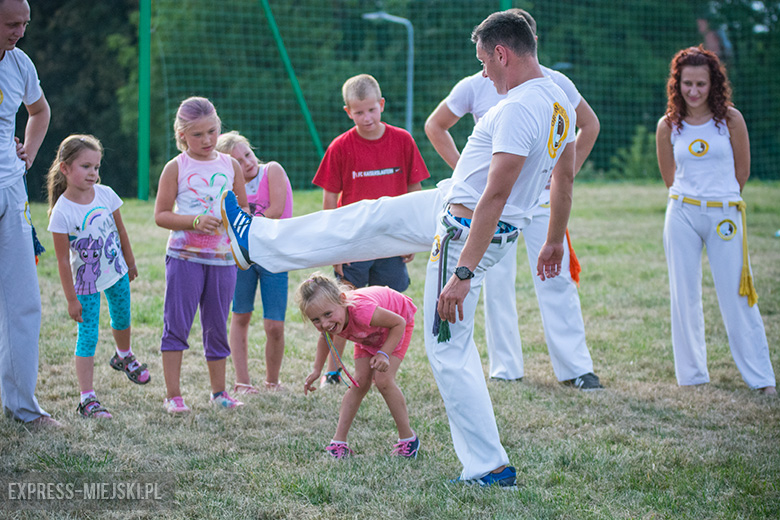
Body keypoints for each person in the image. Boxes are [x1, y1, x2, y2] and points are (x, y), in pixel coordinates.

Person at [222, 10, 577, 486]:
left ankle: (490, 467)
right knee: (364, 217)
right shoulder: (559, 96)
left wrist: (464, 272)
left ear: (502, 53)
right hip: (448, 205)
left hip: (466, 233)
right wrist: (554, 238)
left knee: (448, 349)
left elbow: (497, 193)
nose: (483, 74)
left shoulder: (519, 107)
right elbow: (565, 174)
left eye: (483, 63)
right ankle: (258, 242)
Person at [425, 8, 602, 388]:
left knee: (555, 276)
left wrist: (555, 174)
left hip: (534, 202)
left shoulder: (554, 87)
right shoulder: (476, 83)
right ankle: (506, 368)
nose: (486, 67)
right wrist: (465, 176)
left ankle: (576, 369)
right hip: (489, 205)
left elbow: (588, 126)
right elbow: (435, 125)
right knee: (493, 282)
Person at [655, 46, 776, 395]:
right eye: (687, 84)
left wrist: (719, 199)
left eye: (701, 84)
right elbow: (669, 177)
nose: (693, 92)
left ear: (714, 84)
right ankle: (692, 377)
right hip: (681, 214)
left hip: (726, 215)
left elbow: (742, 172)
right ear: (677, 84)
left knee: (739, 297)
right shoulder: (668, 125)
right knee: (684, 295)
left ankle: (762, 380)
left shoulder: (731, 120)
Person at [313, 74, 429, 386]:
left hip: (391, 242)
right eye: (358, 112)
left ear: (382, 105)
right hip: (353, 243)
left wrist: (412, 238)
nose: (366, 117)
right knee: (339, 310)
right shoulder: (340, 147)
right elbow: (328, 200)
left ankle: (380, 367)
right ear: (348, 112)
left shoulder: (402, 140)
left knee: (383, 309)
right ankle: (332, 373)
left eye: (371, 110)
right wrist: (334, 247)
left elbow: (414, 192)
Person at [154, 97, 249, 413]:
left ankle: (219, 393)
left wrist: (233, 218)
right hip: (184, 259)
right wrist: (194, 221)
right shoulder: (175, 167)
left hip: (223, 261)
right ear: (182, 136)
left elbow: (244, 209)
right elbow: (161, 215)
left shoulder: (231, 166)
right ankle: (173, 396)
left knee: (217, 325)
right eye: (197, 135)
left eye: (212, 131)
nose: (207, 140)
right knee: (177, 324)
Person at [46, 135, 150, 419]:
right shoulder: (62, 213)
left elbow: (121, 231)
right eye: (86, 166)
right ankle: (87, 398)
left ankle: (123, 355)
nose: (93, 173)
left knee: (123, 317)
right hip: (86, 285)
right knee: (88, 335)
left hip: (115, 274)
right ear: (65, 168)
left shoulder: (106, 194)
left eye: (96, 167)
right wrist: (71, 300)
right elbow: (62, 262)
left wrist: (129, 261)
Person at [0, 0, 60, 428]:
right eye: (11, 23)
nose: (19, 31)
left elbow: (39, 111)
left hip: (10, 190)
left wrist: (27, 155)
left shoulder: (20, 63)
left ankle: (24, 408)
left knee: (24, 304)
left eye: (24, 23)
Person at [298, 273, 419, 459]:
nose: (324, 323)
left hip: (395, 324)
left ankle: (408, 439)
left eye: (328, 314)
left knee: (383, 380)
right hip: (368, 333)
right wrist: (316, 370)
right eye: (316, 320)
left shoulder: (362, 311)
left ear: (342, 300)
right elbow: (325, 338)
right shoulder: (333, 323)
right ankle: (338, 443)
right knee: (359, 382)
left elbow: (398, 323)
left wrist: (384, 353)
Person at [216, 131, 292, 394]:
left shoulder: (271, 171)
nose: (247, 162)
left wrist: (243, 226)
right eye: (237, 161)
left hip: (273, 256)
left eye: (247, 154)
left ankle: (272, 381)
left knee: (274, 325)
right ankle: (243, 381)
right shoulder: (228, 188)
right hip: (243, 259)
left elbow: (275, 211)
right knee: (240, 316)